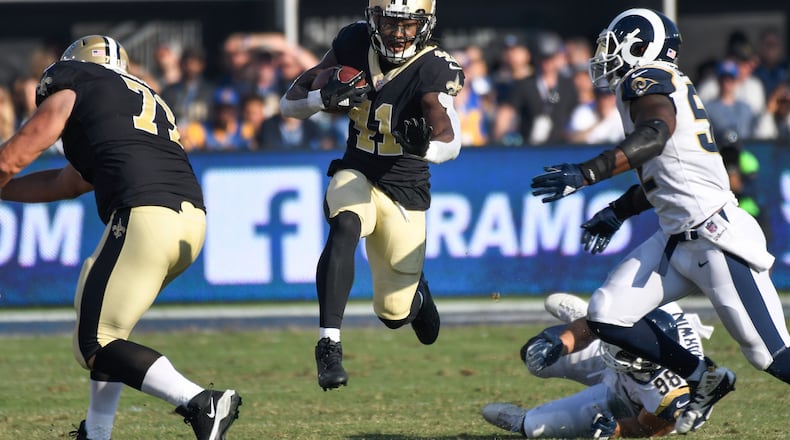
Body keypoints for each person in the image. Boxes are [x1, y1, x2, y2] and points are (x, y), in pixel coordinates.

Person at [529, 8, 790, 434]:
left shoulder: (644, 78)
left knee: (772, 356)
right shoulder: (647, 84)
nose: (604, 54)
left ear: (638, 45)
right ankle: (702, 375)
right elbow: (667, 177)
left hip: (714, 237)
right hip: (678, 237)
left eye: (612, 43)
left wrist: (587, 172)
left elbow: (654, 134)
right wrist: (618, 211)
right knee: (608, 314)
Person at [0, 35, 241, 440]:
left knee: (91, 341)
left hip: (144, 217)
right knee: (113, 336)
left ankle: (201, 400)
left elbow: (15, 155)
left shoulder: (77, 84)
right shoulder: (136, 98)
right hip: (190, 223)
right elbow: (68, 181)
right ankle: (96, 432)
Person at [279, 0, 464, 391]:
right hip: (357, 170)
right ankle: (329, 344)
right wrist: (319, 99)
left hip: (405, 190)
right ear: (372, 19)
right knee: (345, 224)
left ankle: (416, 297)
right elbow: (288, 103)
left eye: (408, 25)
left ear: (425, 25)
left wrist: (423, 148)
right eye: (390, 23)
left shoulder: (433, 67)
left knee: (394, 315)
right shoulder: (352, 43)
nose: (398, 33)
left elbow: (452, 141)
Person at [482, 294, 713, 438]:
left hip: (626, 399)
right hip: (626, 364)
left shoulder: (672, 395)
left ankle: (525, 421)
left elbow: (647, 428)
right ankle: (585, 317)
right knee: (535, 358)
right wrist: (559, 344)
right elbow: (606, 323)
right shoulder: (663, 305)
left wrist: (619, 429)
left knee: (533, 426)